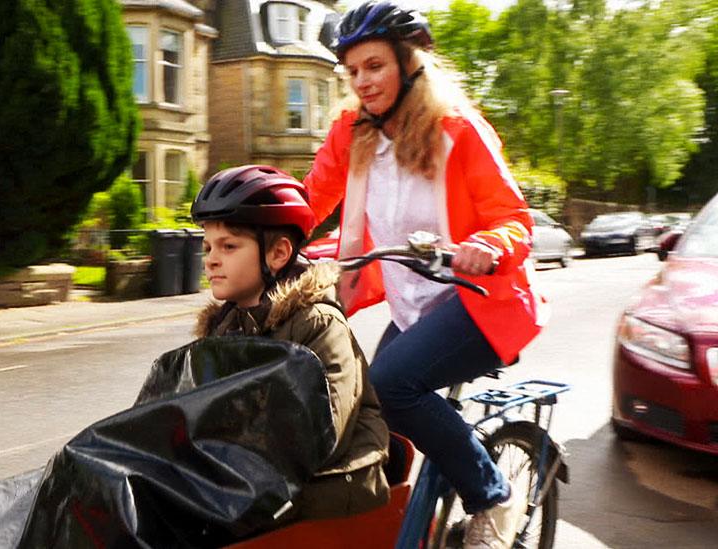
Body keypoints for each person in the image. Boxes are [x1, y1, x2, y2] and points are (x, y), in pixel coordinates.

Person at [302, 2, 548, 548]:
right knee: (362, 401)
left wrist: (487, 243)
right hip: (414, 307)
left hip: (481, 301)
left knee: (392, 385)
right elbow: (307, 200)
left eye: (374, 66)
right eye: (353, 71)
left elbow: (513, 218)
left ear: (409, 62)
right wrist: (263, 232)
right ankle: (404, 517)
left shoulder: (458, 130)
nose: (362, 82)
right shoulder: (353, 132)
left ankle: (492, 495)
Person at [191, 164, 391, 521]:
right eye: (207, 247)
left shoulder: (318, 324)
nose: (211, 259)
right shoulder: (224, 327)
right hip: (257, 474)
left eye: (229, 246)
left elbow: (323, 432)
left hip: (331, 480)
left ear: (279, 254)